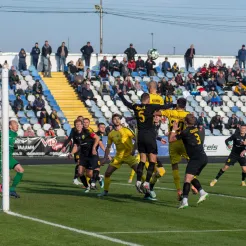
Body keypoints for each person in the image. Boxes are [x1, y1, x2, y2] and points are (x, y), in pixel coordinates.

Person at [118, 92, 173, 194]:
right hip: (150, 136)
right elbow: (164, 106)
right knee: (152, 160)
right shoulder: (151, 106)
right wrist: (173, 104)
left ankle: (138, 181)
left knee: (142, 159)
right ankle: (147, 182)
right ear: (148, 99)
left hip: (140, 136)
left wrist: (120, 94)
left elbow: (126, 103)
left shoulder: (136, 106)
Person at [169, 114, 208, 209]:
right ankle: (202, 193)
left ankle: (185, 202)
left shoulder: (185, 132)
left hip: (195, 158)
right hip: (203, 157)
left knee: (187, 179)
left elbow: (171, 139)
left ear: (186, 122)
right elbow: (189, 135)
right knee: (190, 177)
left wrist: (174, 129)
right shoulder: (197, 129)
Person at [98, 114, 140, 197]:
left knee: (139, 171)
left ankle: (147, 191)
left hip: (128, 155)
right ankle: (105, 191)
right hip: (118, 157)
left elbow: (137, 140)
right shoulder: (111, 134)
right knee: (107, 173)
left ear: (121, 121)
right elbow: (108, 147)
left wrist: (133, 150)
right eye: (114, 119)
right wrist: (105, 158)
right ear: (112, 121)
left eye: (118, 119)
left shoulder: (127, 130)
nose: (117, 120)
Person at [157, 98, 191, 200]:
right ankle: (193, 185)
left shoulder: (170, 112)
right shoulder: (187, 114)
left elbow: (157, 113)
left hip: (172, 141)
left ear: (177, 104)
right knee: (191, 163)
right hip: (184, 142)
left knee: (175, 166)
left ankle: (179, 190)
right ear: (184, 106)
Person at [68, 119, 100, 193]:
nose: (78, 126)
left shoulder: (87, 132)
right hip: (83, 155)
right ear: (75, 126)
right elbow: (76, 146)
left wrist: (94, 148)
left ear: (82, 125)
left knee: (89, 174)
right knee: (79, 173)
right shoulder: (75, 134)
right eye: (77, 124)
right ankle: (87, 187)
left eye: (80, 124)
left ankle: (98, 178)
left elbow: (97, 138)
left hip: (90, 154)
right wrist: (71, 153)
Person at [0, 120, 24, 198]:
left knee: (21, 170)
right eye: (15, 124)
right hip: (2, 158)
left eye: (17, 124)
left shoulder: (15, 134)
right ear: (10, 126)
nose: (17, 125)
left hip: (9, 158)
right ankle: (2, 188)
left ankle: (12, 190)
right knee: (7, 179)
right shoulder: (4, 133)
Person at [61, 116, 84, 186]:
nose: (78, 125)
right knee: (79, 163)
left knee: (84, 166)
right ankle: (75, 179)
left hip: (84, 150)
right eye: (77, 123)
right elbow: (69, 138)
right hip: (76, 149)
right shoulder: (73, 130)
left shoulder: (85, 131)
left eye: (80, 122)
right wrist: (64, 146)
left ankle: (94, 175)